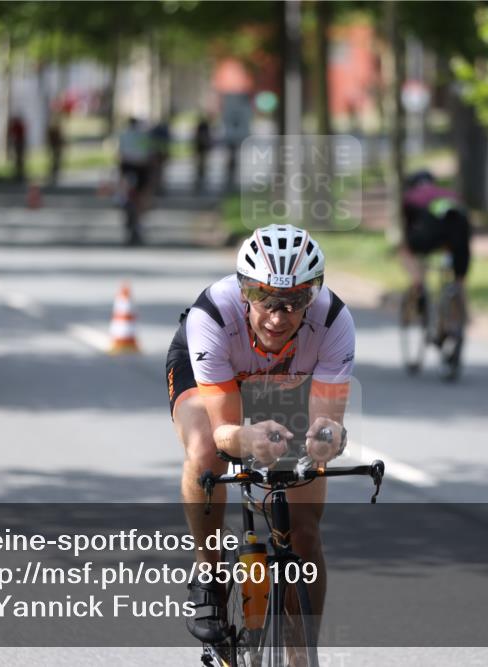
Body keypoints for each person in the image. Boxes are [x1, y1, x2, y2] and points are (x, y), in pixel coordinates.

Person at [166, 223, 354, 643]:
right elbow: (224, 432)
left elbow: (326, 422)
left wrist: (324, 438)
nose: (276, 316)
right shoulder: (212, 316)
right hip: (215, 376)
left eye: (293, 302)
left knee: (304, 531)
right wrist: (247, 439)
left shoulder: (334, 321)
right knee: (205, 454)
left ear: (313, 296)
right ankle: (209, 572)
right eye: (262, 297)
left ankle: (300, 650)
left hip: (288, 377)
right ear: (243, 289)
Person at [399, 169, 472, 313]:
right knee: (458, 262)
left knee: (404, 250)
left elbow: (409, 229)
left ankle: (418, 283)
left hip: (431, 229)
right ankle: (460, 300)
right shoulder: (449, 193)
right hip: (459, 226)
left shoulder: (410, 196)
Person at [193, 115, 212, 194]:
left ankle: (201, 180)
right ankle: (200, 181)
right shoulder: (203, 128)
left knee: (202, 166)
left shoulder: (203, 128)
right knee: (201, 166)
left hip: (202, 149)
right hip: (201, 149)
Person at [6, 115, 26, 182]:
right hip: (18, 143)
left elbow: (17, 134)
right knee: (18, 160)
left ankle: (20, 174)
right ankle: (18, 173)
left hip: (19, 143)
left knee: (19, 160)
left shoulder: (18, 125)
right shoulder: (17, 125)